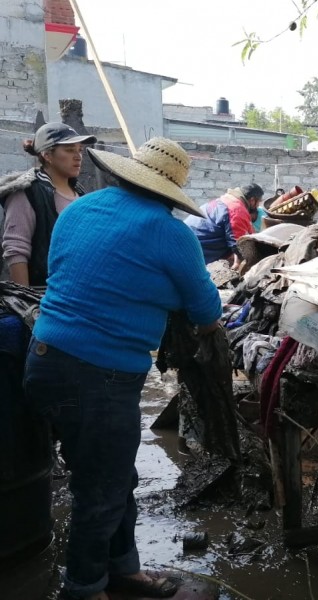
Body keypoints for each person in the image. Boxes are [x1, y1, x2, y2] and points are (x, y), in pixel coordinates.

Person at [23, 137, 222, 600]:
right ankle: (85, 588)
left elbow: (74, 274)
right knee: (101, 489)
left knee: (113, 478)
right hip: (99, 377)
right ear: (170, 190)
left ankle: (122, 569)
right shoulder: (172, 234)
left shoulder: (80, 208)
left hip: (44, 359)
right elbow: (207, 312)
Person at [0, 123, 96, 287]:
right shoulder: (28, 192)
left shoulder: (81, 195)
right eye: (69, 150)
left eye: (79, 150)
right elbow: (16, 251)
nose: (78, 156)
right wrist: (26, 302)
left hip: (79, 294)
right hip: (43, 296)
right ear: (47, 155)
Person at [184, 183, 264, 267]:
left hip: (189, 238)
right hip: (193, 248)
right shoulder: (237, 209)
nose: (258, 206)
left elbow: (249, 232)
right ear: (252, 200)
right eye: (259, 202)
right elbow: (239, 245)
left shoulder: (228, 199)